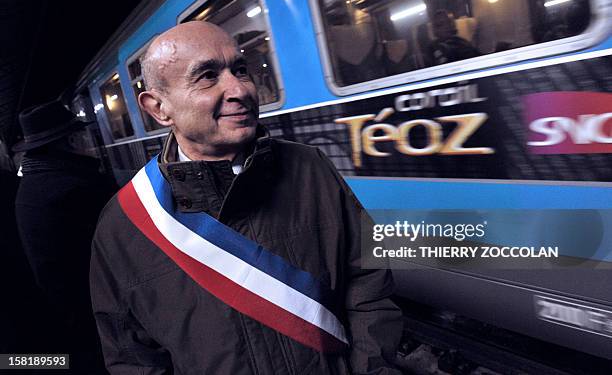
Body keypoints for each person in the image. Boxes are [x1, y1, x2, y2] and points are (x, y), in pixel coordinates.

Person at [90, 21, 403, 374]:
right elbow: (133, 358)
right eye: (207, 76)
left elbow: (368, 283)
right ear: (159, 108)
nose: (239, 88)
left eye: (240, 69)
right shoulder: (123, 226)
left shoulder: (310, 167)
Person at [13, 100, 115, 374]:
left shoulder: (32, 184)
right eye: (82, 135)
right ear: (72, 140)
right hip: (97, 311)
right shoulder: (76, 187)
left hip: (65, 308)